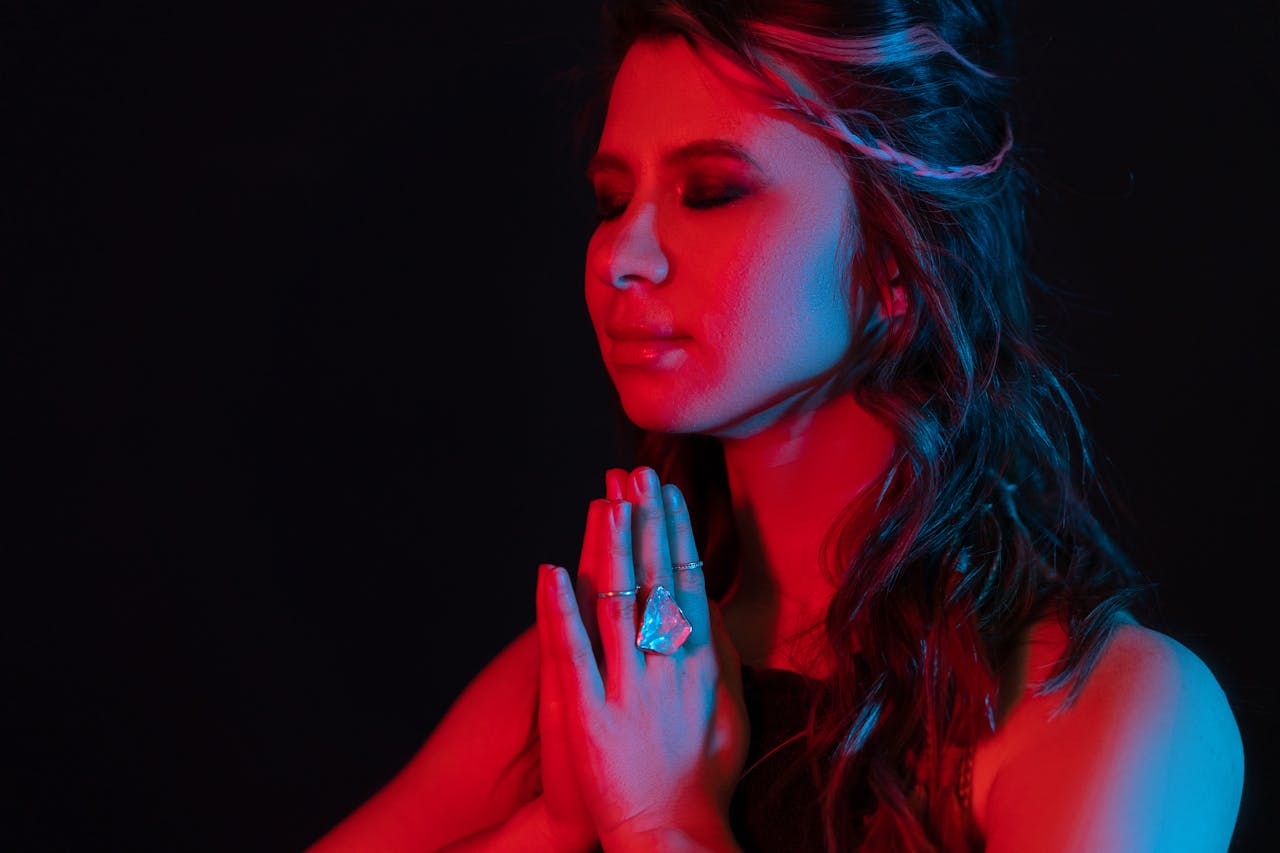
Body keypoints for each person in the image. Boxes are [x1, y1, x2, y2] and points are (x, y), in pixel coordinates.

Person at [309, 1, 1244, 850]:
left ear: (899, 263)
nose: (621, 253)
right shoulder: (605, 672)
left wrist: (661, 823)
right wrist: (556, 825)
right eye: (612, 199)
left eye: (711, 190)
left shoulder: (1111, 713)